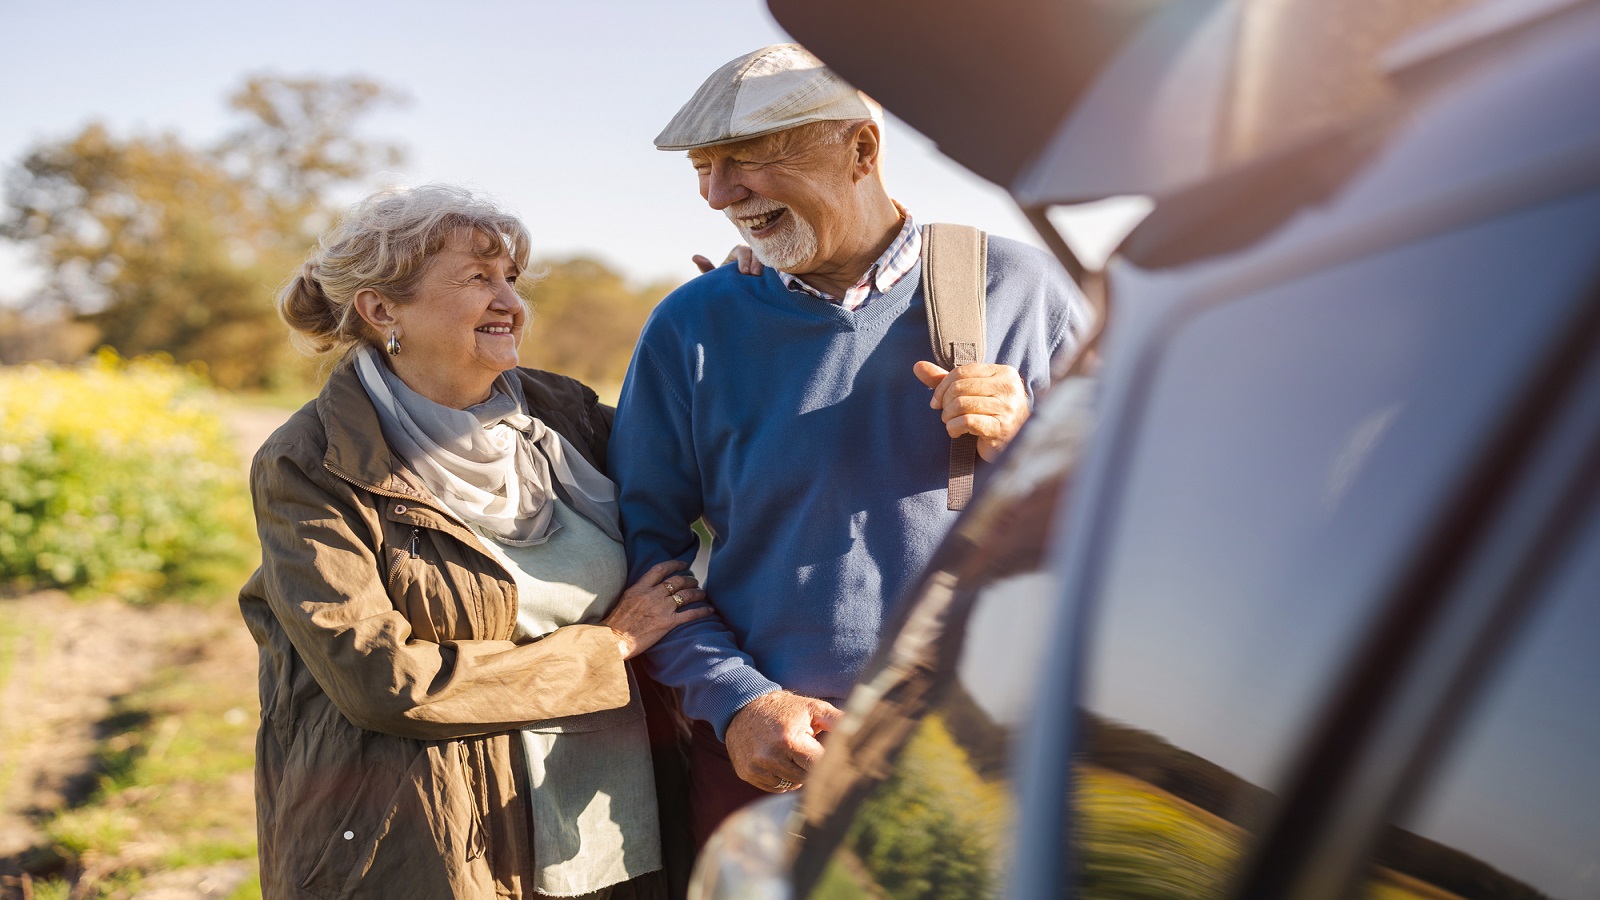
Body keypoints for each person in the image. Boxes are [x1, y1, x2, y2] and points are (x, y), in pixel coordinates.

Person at [609, 44, 1090, 846]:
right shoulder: (690, 324)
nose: (720, 194)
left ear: (862, 150)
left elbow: (1135, 525)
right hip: (769, 765)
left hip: (991, 755)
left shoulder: (1023, 289)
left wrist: (1031, 441)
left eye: (748, 160)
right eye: (704, 168)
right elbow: (643, 554)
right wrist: (735, 700)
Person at [239, 184, 714, 899]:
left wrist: (748, 321)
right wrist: (607, 647)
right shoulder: (309, 463)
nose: (510, 302)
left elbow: (721, 468)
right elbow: (382, 681)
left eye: (511, 279)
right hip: (433, 840)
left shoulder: (567, 414)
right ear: (381, 309)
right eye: (476, 279)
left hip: (614, 821)